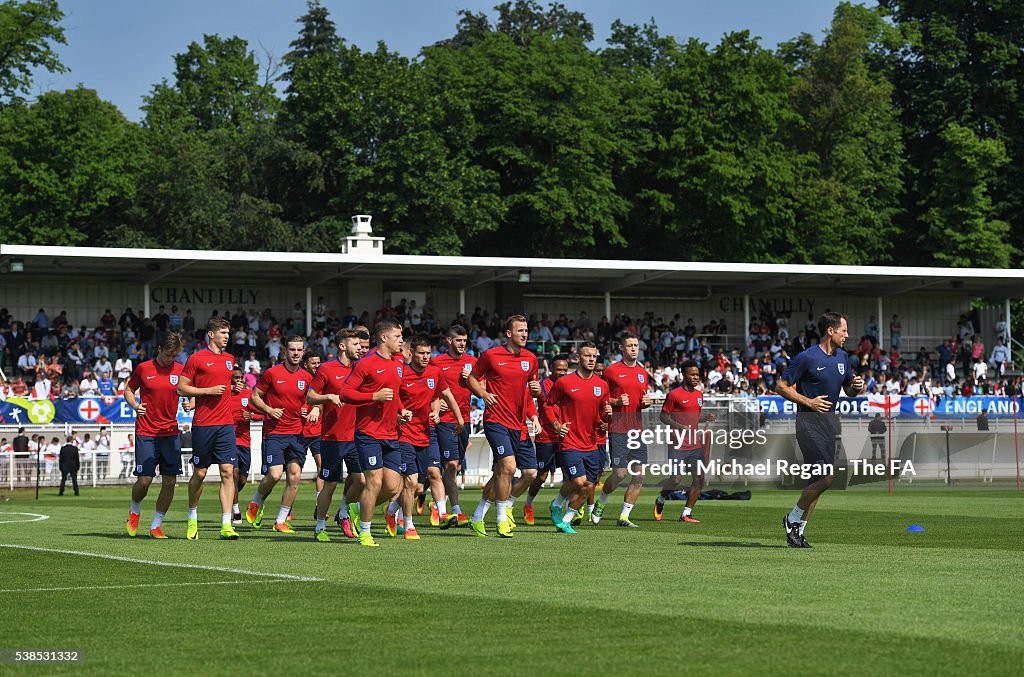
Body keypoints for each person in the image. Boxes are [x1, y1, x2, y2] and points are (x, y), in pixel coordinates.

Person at [776, 312, 865, 548]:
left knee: (817, 480)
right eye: (844, 330)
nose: (847, 335)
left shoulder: (843, 357)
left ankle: (797, 532)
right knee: (827, 478)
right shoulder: (806, 357)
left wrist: (857, 386)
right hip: (808, 424)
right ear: (830, 331)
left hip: (829, 425)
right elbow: (781, 386)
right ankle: (792, 518)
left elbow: (850, 390)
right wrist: (809, 402)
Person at [466, 315, 541, 538]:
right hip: (496, 421)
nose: (524, 334)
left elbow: (530, 392)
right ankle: (501, 518)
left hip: (520, 425)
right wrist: (483, 393)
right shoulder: (491, 355)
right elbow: (471, 378)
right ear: (509, 333)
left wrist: (535, 404)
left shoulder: (531, 359)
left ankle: (479, 515)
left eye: (526, 330)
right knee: (508, 467)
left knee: (529, 473)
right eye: (520, 330)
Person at [339, 319, 411, 547]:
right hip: (368, 434)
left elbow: (395, 394)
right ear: (384, 338)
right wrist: (373, 397)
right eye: (398, 337)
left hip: (391, 433)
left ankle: (357, 507)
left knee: (393, 486)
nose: (401, 341)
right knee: (374, 482)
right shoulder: (366, 364)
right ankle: (365, 532)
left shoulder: (398, 363)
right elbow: (345, 393)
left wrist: (401, 411)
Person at [387, 335, 464, 539]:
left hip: (425, 434)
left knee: (420, 484)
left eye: (428, 353)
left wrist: (460, 419)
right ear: (411, 353)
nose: (425, 357)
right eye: (421, 353)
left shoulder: (435, 373)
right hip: (403, 434)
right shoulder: (401, 373)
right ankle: (410, 525)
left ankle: (391, 510)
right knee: (411, 482)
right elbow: (391, 398)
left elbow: (446, 395)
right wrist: (398, 414)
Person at [177, 317, 240, 540]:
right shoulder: (196, 359)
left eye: (228, 333)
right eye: (223, 332)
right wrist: (206, 391)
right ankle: (192, 517)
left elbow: (223, 388)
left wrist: (233, 387)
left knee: (228, 472)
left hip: (225, 424)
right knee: (200, 473)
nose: (227, 336)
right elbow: (181, 388)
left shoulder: (230, 359)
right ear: (211, 334)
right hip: (203, 424)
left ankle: (226, 524)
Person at [124, 332, 190, 538]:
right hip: (146, 430)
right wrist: (135, 405)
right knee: (145, 479)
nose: (171, 359)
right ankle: (134, 511)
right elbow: (128, 389)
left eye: (175, 355)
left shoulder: (181, 370)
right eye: (168, 355)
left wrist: (190, 403)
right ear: (159, 349)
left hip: (170, 432)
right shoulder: (144, 368)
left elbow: (191, 392)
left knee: (170, 481)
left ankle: (156, 525)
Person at [245, 336, 312, 535]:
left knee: (295, 477)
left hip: (297, 434)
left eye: (299, 350)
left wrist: (309, 408)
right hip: (274, 433)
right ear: (285, 350)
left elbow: (312, 399)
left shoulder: (307, 377)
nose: (296, 353)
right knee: (274, 474)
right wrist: (268, 410)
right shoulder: (272, 373)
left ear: (303, 351)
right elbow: (254, 396)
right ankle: (256, 500)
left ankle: (280, 520)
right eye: (292, 349)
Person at [308, 328, 368, 541]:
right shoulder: (326, 369)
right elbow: (310, 397)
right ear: (342, 346)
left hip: (356, 437)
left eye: (361, 345)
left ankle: (343, 512)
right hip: (332, 438)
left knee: (361, 480)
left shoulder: (361, 369)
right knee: (330, 483)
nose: (359, 348)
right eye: (355, 345)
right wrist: (327, 398)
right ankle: (320, 527)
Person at [545, 342, 611, 534]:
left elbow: (601, 417)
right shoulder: (564, 383)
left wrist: (607, 416)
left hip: (591, 442)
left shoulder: (602, 386)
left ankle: (566, 520)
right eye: (587, 356)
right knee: (578, 481)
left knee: (589, 486)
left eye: (594, 356)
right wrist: (557, 425)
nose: (591, 360)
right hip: (569, 441)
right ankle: (557, 503)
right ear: (577, 358)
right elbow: (549, 405)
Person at [593, 332, 653, 528]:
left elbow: (641, 400)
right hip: (618, 428)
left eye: (636, 345)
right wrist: (617, 401)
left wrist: (646, 403)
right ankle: (601, 500)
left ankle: (624, 516)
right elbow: (599, 398)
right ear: (621, 348)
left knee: (639, 475)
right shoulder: (611, 371)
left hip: (637, 430)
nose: (634, 348)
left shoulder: (643, 373)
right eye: (630, 346)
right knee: (619, 474)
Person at [655, 360, 716, 523]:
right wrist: (679, 426)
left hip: (695, 445)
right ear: (684, 375)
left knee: (699, 478)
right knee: (676, 479)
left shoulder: (699, 395)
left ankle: (686, 514)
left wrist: (705, 418)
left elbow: (693, 419)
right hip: (677, 444)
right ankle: (660, 500)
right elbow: (663, 416)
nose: (696, 377)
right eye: (692, 374)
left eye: (697, 374)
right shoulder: (674, 395)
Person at [430, 324, 477, 526]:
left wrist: (472, 380)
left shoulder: (472, 362)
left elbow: (481, 388)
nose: (462, 344)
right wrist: (435, 404)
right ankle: (454, 510)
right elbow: (429, 387)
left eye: (465, 341)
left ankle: (431, 497)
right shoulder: (436, 362)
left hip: (464, 421)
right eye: (458, 340)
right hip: (445, 421)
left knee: (454, 467)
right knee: (448, 466)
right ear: (449, 341)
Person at [523, 357, 569, 525]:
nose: (562, 373)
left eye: (565, 370)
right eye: (559, 369)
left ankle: (565, 509)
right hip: (546, 437)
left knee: (568, 474)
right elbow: (533, 396)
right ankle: (528, 504)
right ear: (551, 370)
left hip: (565, 436)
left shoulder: (570, 385)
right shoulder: (542, 384)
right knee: (541, 476)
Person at [229, 367, 261, 523]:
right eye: (236, 378)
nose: (239, 380)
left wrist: (252, 415)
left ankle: (231, 495)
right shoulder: (223, 395)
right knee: (233, 474)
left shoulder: (249, 395)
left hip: (245, 442)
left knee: (241, 480)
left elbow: (264, 412)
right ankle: (235, 511)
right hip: (228, 440)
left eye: (241, 377)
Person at [301, 350, 323, 519]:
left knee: (322, 467)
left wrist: (316, 408)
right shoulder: (300, 378)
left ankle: (319, 506)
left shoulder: (322, 379)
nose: (317, 366)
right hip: (299, 431)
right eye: (313, 363)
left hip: (317, 431)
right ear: (305, 365)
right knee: (294, 473)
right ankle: (288, 511)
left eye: (318, 362)